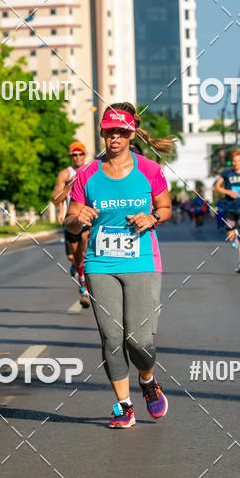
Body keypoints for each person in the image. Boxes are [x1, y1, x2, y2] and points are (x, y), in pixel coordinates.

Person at [64, 102, 174, 429]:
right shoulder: (87, 174)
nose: (114, 138)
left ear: (131, 134)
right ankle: (124, 406)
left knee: (139, 341)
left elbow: (166, 208)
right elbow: (69, 220)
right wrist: (76, 219)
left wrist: (152, 217)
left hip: (141, 260)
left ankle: (148, 379)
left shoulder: (150, 171)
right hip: (99, 263)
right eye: (109, 132)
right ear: (102, 133)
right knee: (112, 337)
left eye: (120, 132)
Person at [52, 142, 90, 308]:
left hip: (88, 217)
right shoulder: (65, 174)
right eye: (74, 155)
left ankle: (85, 288)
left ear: (85, 155)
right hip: (72, 220)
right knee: (76, 257)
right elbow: (55, 199)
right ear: (70, 157)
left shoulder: (92, 170)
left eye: (80, 154)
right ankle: (78, 269)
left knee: (86, 250)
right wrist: (70, 185)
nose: (77, 157)